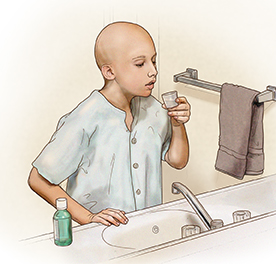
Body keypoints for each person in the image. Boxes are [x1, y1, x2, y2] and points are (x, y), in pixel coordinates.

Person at [28, 21, 191, 227]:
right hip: (100, 239)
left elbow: (177, 160)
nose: (153, 72)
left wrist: (177, 124)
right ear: (109, 72)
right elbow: (38, 179)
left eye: (154, 61)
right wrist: (88, 218)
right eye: (140, 64)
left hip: (148, 230)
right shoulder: (86, 117)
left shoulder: (154, 110)